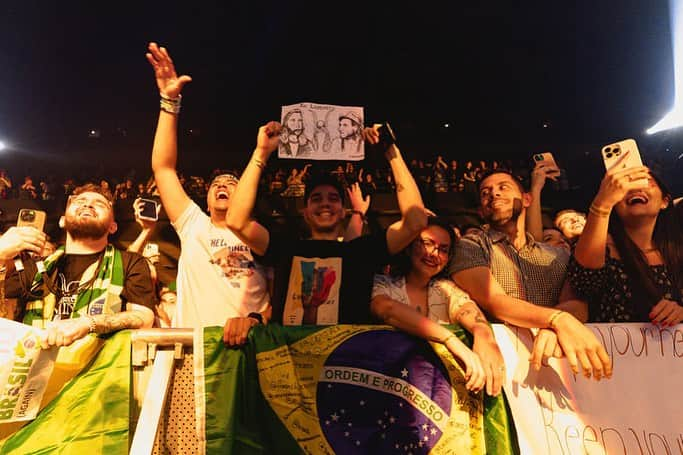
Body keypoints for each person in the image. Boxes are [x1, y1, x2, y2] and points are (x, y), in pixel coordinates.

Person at [224, 120, 427, 343]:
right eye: (316, 198)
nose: (325, 204)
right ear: (306, 212)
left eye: (333, 199)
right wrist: (261, 154)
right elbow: (236, 221)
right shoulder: (286, 248)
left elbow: (415, 221)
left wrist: (390, 151)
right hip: (289, 370)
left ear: (343, 212)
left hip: (347, 369)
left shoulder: (361, 251)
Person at [146, 42, 270, 328]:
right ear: (207, 199)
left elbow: (280, 302)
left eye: (231, 183)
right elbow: (163, 169)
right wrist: (169, 103)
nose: (222, 185)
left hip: (249, 347)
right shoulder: (194, 225)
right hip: (193, 350)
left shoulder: (263, 239)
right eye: (217, 184)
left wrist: (255, 321)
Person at [448, 169, 612, 379]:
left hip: (559, 366)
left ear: (527, 199)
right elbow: (494, 300)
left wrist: (552, 328)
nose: (494, 194)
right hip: (502, 368)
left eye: (503, 187)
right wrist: (554, 319)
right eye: (485, 193)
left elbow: (577, 305)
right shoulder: (471, 246)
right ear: (481, 211)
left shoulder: (557, 255)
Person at [1, 183, 155, 348]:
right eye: (80, 201)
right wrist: (1, 255)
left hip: (97, 369)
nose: (88, 204)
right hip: (34, 366)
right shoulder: (37, 267)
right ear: (62, 221)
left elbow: (143, 317)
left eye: (100, 204)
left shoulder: (130, 263)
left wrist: (89, 323)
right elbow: (4, 314)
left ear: (112, 226)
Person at [371, 217, 504, 396]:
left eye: (443, 249)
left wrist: (483, 333)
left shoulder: (445, 288)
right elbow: (386, 309)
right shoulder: (383, 284)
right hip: (387, 390)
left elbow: (465, 308)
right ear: (409, 245)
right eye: (427, 243)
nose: (434, 253)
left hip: (437, 395)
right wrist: (450, 340)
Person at [569, 156, 683, 324]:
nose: (635, 189)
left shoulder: (677, 251)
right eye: (626, 186)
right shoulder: (602, 248)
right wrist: (602, 203)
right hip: (611, 348)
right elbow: (583, 283)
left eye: (645, 181)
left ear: (664, 202)